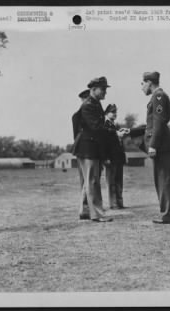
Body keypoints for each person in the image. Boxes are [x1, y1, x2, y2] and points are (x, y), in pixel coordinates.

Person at [124, 71, 170, 224]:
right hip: (160, 144)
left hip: (160, 145)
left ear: (149, 82)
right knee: (161, 180)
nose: (142, 87)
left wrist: (153, 145)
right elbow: (151, 125)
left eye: (142, 83)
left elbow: (159, 122)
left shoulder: (158, 96)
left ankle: (169, 216)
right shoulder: (156, 97)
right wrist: (129, 131)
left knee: (164, 180)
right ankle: (168, 214)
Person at [72, 77, 114, 222]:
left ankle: (84, 211)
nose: (105, 93)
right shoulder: (89, 105)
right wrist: (111, 130)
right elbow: (96, 128)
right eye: (103, 89)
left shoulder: (94, 104)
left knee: (89, 180)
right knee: (92, 181)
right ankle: (97, 214)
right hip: (87, 147)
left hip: (89, 147)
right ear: (93, 89)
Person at [103, 104, 126, 209]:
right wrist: (105, 157)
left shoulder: (114, 125)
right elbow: (105, 143)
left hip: (118, 157)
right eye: (113, 112)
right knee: (111, 181)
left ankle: (119, 202)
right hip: (110, 157)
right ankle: (113, 203)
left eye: (116, 112)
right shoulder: (105, 125)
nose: (115, 114)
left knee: (118, 181)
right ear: (107, 113)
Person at [72, 89, 90, 219]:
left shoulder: (77, 114)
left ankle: (86, 207)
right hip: (86, 148)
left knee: (85, 179)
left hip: (81, 148)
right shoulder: (83, 113)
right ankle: (85, 208)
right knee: (87, 179)